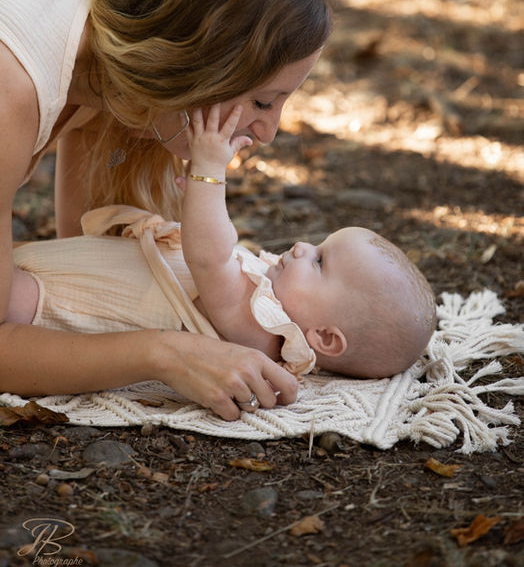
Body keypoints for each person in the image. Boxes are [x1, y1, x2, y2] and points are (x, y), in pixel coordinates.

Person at [0, 0, 331, 419]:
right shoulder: (10, 87)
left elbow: (93, 257)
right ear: (193, 70)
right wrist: (164, 353)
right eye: (263, 102)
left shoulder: (107, 44)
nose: (268, 132)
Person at [12, 105, 436, 397]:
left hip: (60, 299)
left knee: (9, 297)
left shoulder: (265, 334)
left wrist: (210, 173)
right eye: (319, 245)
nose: (304, 246)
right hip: (71, 267)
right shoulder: (268, 294)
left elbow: (209, 259)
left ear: (323, 338)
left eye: (321, 262)